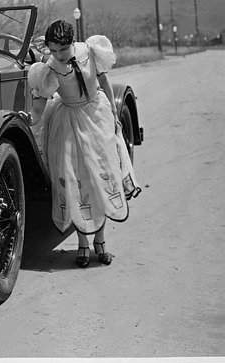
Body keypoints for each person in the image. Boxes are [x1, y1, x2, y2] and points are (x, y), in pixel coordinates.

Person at [21, 19, 141, 267]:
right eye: (52, 51)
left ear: (71, 43)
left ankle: (101, 242)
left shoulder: (90, 50)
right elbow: (40, 104)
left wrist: (114, 115)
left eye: (62, 50)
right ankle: (83, 245)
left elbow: (104, 82)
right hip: (70, 122)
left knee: (101, 175)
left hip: (97, 115)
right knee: (78, 181)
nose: (58, 55)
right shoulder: (50, 68)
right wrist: (30, 119)